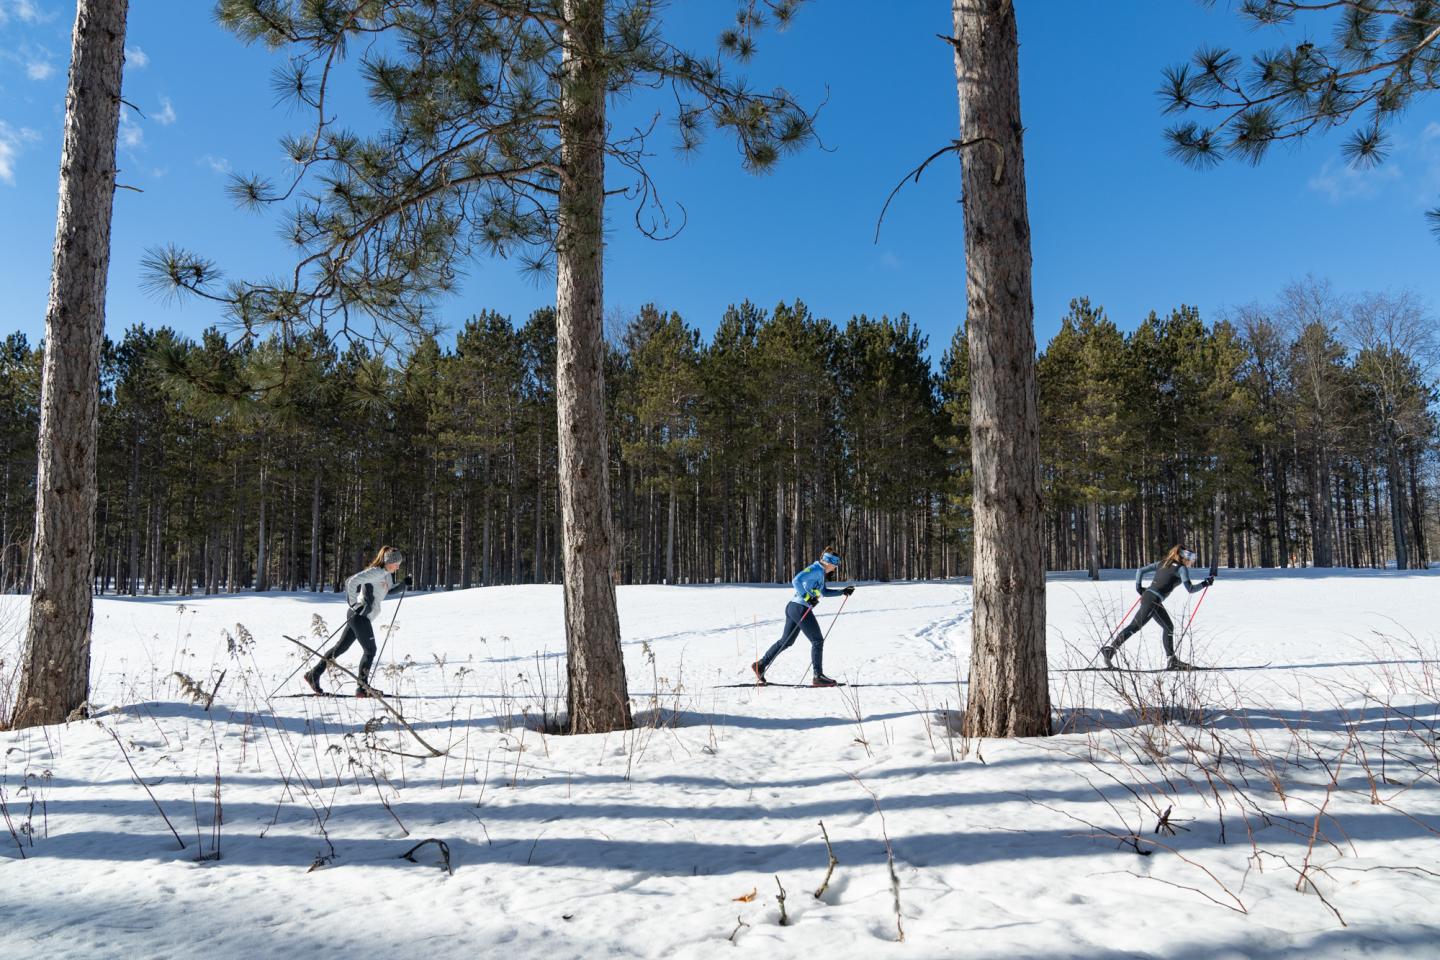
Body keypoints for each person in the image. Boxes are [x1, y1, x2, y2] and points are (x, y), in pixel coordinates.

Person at [305, 546, 411, 697]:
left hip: (362, 617)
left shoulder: (387, 575)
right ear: (388, 562)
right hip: (359, 616)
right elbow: (351, 582)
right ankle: (362, 688)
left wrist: (403, 584)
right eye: (396, 563)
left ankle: (313, 674)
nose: (398, 566)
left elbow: (389, 591)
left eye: (399, 563)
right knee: (370, 650)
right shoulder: (375, 572)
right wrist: (355, 605)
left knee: (340, 648)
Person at [751, 548, 855, 687]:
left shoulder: (821, 574)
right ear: (829, 562)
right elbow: (796, 580)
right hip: (800, 608)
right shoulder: (815, 569)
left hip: (794, 608)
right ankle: (818, 676)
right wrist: (807, 597)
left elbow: (823, 592)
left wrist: (842, 592)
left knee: (786, 641)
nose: (835, 568)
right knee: (817, 640)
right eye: (835, 566)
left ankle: (761, 665)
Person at [1101, 544, 1213, 671]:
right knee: (1135, 626)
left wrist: (1138, 587)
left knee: (1168, 626)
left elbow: (1140, 570)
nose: (1193, 561)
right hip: (1153, 600)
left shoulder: (1163, 562)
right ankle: (1110, 649)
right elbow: (1190, 589)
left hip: (1151, 598)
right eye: (1192, 558)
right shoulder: (1181, 569)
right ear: (1184, 557)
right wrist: (1205, 583)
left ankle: (1172, 660)